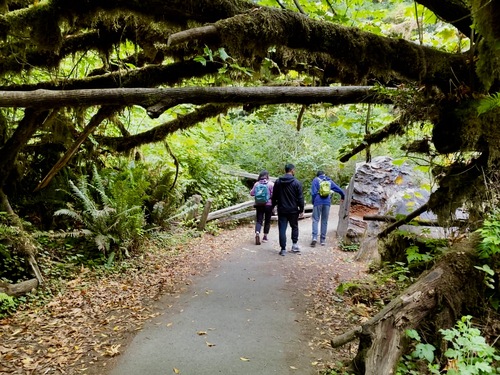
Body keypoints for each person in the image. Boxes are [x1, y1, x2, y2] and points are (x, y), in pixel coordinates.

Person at [272, 163, 304, 256]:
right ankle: (294, 245)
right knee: (294, 226)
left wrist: (273, 207)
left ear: (285, 170)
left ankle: (283, 249)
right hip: (293, 210)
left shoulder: (278, 182)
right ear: (292, 170)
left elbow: (274, 196)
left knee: (282, 229)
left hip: (282, 209)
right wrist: (301, 209)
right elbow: (300, 198)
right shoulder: (297, 183)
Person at [310, 170, 345, 247]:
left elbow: (313, 193)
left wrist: (313, 202)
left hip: (317, 202)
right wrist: (343, 196)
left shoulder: (315, 180)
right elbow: (338, 189)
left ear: (317, 175)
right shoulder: (329, 181)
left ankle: (314, 238)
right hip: (327, 202)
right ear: (324, 174)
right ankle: (322, 240)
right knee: (324, 221)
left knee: (315, 220)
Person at [250, 170, 274, 245]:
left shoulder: (257, 184)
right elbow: (274, 194)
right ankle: (265, 237)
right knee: (267, 220)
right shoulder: (271, 184)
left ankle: (257, 233)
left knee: (259, 220)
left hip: (259, 204)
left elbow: (252, 193)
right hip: (268, 205)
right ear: (267, 176)